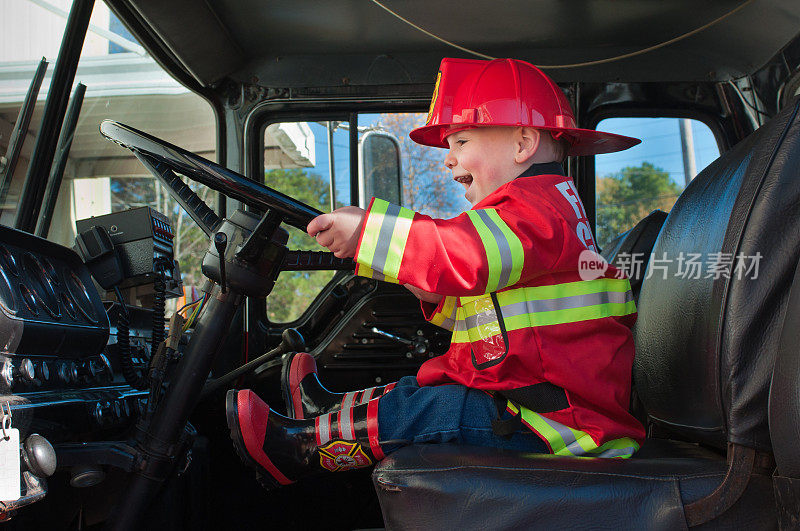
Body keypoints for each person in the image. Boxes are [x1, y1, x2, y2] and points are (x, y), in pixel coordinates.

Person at [226, 57, 646, 489]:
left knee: (440, 409)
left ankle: (301, 449)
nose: (448, 160)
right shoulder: (545, 211)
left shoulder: (538, 211)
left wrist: (370, 231)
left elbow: (465, 255)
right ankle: (324, 411)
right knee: (417, 391)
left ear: (523, 143)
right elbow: (498, 309)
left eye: (461, 141)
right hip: (540, 408)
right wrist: (434, 294)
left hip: (562, 430)